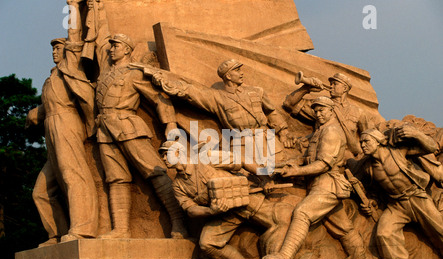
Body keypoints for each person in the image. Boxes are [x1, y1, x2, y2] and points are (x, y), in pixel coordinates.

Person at [85, 0, 187, 239]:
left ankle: (179, 222)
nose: (111, 49)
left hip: (129, 127)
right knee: (116, 179)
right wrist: (93, 9)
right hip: (105, 130)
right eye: (111, 46)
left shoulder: (135, 72)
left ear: (127, 49)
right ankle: (121, 229)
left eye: (116, 46)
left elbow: (159, 98)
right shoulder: (105, 72)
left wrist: (170, 126)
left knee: (156, 172)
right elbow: (99, 39)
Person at [158, 140, 294, 259]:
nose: (164, 159)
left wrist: (265, 179)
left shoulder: (205, 159)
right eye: (163, 156)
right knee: (207, 243)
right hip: (223, 214)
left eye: (166, 154)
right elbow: (191, 210)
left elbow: (241, 160)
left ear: (178, 152)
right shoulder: (178, 185)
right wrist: (211, 211)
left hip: (245, 200)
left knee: (281, 220)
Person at [25, 0, 99, 246]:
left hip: (67, 123)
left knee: (73, 175)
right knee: (41, 192)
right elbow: (50, 104)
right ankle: (57, 233)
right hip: (52, 127)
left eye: (60, 48)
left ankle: (83, 229)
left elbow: (74, 35)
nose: (55, 51)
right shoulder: (52, 77)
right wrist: (37, 112)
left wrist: (73, 7)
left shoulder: (70, 66)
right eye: (54, 49)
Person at [264, 96, 368, 259]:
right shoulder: (320, 131)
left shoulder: (332, 132)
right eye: (316, 111)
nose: (318, 114)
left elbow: (323, 164)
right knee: (344, 228)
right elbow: (308, 158)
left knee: (302, 213)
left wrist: (296, 172)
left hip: (328, 185)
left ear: (331, 110)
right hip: (318, 184)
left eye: (322, 110)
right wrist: (287, 165)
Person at [142, 59, 292, 175]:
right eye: (237, 70)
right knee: (249, 176)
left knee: (281, 171)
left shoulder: (256, 91)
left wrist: (283, 131)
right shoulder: (217, 97)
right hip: (242, 142)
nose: (242, 73)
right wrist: (164, 82)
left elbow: (271, 112)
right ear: (228, 75)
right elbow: (191, 92)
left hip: (267, 139)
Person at [352, 127, 443, 259]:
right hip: (397, 204)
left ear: (377, 141)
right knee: (384, 233)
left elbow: (431, 147)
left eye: (366, 141)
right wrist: (372, 202)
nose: (362, 145)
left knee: (440, 228)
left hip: (417, 197)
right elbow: (374, 191)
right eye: (361, 142)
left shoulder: (398, 151)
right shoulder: (368, 167)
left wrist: (416, 133)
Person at [283, 72, 382, 159]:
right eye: (331, 84)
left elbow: (371, 135)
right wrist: (306, 88)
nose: (331, 86)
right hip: (322, 154)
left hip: (347, 157)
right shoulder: (321, 105)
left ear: (345, 88)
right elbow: (289, 104)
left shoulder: (358, 112)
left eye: (335, 84)